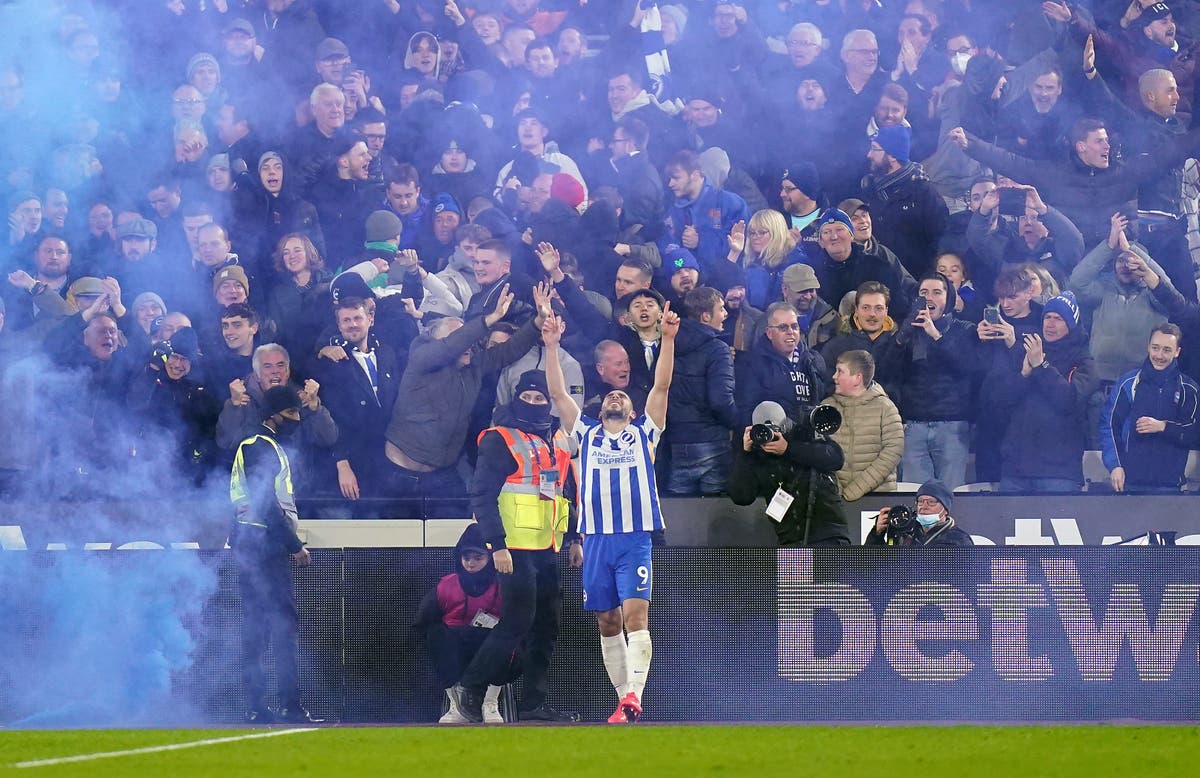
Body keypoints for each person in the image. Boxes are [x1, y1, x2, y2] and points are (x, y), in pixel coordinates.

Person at [543, 299, 679, 725]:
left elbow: (661, 387)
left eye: (624, 396)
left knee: (636, 615)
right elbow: (557, 393)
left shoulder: (644, 435)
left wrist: (669, 340)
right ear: (599, 411)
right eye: (611, 397)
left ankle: (633, 695)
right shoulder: (584, 433)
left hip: (635, 537)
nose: (617, 397)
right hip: (596, 539)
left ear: (633, 412)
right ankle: (623, 698)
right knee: (607, 620)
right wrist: (551, 345)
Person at [454, 370, 579, 724]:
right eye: (529, 397)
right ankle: (471, 687)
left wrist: (572, 537)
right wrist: (496, 545)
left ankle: (533, 704)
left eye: (541, 399)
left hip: (549, 547)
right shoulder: (499, 438)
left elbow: (563, 493)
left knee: (546, 628)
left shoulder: (556, 439)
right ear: (515, 397)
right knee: (517, 622)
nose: (535, 404)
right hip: (513, 549)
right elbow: (482, 494)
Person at [228, 385, 320, 725]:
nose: (296, 418)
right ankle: (284, 706)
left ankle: (263, 706)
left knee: (262, 628)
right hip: (262, 547)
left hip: (254, 546)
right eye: (292, 412)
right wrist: (294, 545)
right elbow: (265, 500)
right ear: (273, 415)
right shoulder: (259, 445)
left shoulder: (262, 444)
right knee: (277, 627)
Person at [412, 523, 506, 725]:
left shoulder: (504, 587)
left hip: (490, 651)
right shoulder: (446, 586)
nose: (471, 564)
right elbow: (421, 623)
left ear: (490, 558)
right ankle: (457, 704)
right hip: (454, 650)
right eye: (466, 558)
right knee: (435, 634)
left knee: (509, 639)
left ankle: (490, 702)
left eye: (478, 558)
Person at [728, 400, 850, 547]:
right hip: (790, 540)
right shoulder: (757, 456)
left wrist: (788, 449)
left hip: (827, 535)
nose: (771, 436)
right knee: (791, 571)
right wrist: (745, 453)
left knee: (830, 571)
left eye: (775, 429)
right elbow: (741, 497)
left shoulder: (805, 434)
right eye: (765, 430)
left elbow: (836, 458)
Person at [1100, 323, 1200, 493]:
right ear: (1148, 347)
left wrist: (1163, 427)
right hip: (1130, 484)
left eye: (1167, 350)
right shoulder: (1129, 383)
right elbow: (1109, 425)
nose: (1159, 355)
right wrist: (1115, 465)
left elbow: (1194, 432)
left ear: (1177, 352)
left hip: (1170, 487)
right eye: (1155, 348)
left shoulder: (1188, 389)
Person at [820, 350, 904, 502]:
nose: (834, 377)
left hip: (877, 498)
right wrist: (835, 489)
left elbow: (893, 451)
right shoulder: (826, 407)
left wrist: (854, 490)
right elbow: (818, 451)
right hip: (834, 499)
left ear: (857, 378)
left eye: (840, 371)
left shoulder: (885, 407)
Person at [864, 479, 973, 546]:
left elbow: (970, 577)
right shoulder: (905, 533)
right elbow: (870, 566)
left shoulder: (958, 539)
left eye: (931, 502)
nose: (924, 507)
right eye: (920, 501)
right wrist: (877, 534)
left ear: (945, 509)